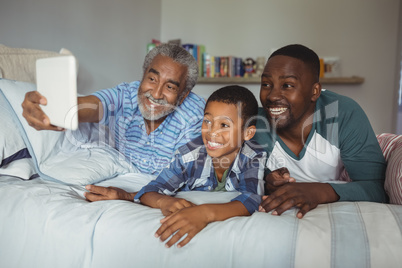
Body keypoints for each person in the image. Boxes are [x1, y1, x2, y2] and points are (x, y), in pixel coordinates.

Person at [21, 43, 206, 201]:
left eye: (170, 87)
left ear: (182, 97)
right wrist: (53, 110)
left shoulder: (194, 117)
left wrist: (129, 196)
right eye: (152, 79)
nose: (156, 94)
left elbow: (180, 180)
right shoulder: (126, 94)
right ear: (142, 77)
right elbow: (89, 106)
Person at [254, 44, 387, 219]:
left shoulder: (344, 114)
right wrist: (266, 183)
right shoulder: (254, 125)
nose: (272, 95)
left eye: (287, 85)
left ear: (314, 91)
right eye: (266, 84)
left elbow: (376, 188)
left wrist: (320, 191)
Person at [134, 85, 266, 248]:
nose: (212, 132)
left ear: (248, 133)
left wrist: (204, 213)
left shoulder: (253, 156)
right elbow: (149, 191)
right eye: (207, 121)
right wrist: (163, 202)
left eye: (224, 125)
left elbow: (252, 198)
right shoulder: (190, 155)